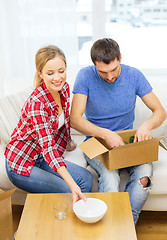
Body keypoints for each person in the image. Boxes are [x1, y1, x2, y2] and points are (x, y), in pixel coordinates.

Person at [70, 38, 167, 224]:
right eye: (102, 72)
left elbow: (160, 112)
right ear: (94, 65)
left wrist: (146, 126)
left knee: (145, 173)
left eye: (113, 70)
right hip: (96, 143)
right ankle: (110, 227)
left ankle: (125, 226)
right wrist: (106, 134)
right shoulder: (85, 76)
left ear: (120, 58)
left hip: (127, 144)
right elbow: (75, 119)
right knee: (109, 176)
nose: (109, 77)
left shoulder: (134, 75)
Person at [5, 45, 93, 204]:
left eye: (61, 71)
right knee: (68, 190)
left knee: (86, 178)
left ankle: (79, 220)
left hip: (41, 156)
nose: (57, 78)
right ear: (40, 74)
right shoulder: (37, 104)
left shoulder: (64, 89)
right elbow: (48, 148)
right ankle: (63, 225)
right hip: (22, 163)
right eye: (50, 73)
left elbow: (64, 121)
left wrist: (68, 143)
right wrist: (72, 185)